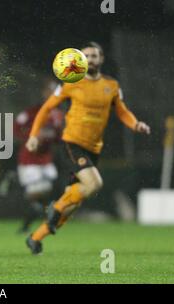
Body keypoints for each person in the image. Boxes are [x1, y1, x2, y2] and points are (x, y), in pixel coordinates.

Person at [25, 42, 151, 255]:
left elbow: (122, 112)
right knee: (94, 184)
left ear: (101, 59)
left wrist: (135, 124)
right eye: (86, 56)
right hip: (73, 142)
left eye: (94, 55)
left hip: (94, 148)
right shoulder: (70, 82)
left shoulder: (111, 85)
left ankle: (36, 237)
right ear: (79, 60)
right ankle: (55, 208)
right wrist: (33, 135)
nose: (91, 59)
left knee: (73, 202)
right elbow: (46, 108)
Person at [14, 80, 63, 233]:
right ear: (44, 93)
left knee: (44, 193)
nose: (53, 95)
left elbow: (58, 137)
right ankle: (42, 219)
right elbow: (15, 129)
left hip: (46, 159)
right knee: (36, 195)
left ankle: (43, 217)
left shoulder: (58, 116)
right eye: (50, 91)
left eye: (56, 92)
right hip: (29, 160)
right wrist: (31, 137)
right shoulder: (32, 112)